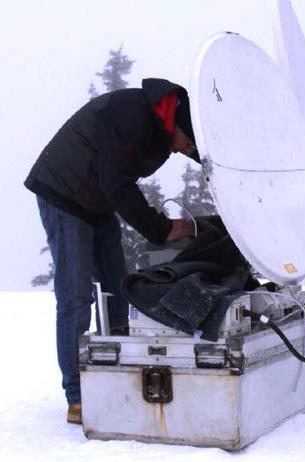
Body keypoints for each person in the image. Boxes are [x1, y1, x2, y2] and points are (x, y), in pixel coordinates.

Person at [24, 78, 199, 424]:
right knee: (75, 297)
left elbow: (117, 182)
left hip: (95, 200)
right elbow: (117, 182)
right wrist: (161, 228)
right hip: (63, 194)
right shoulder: (131, 115)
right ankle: (78, 396)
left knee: (119, 289)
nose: (187, 152)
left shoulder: (162, 131)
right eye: (189, 145)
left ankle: (115, 373)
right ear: (179, 126)